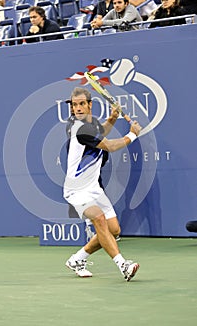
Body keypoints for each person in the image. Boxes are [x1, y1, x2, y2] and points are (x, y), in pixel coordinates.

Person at [64, 87, 142, 280]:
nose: (78, 108)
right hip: (76, 190)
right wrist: (132, 135)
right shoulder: (78, 127)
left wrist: (113, 119)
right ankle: (123, 265)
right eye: (75, 105)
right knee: (99, 219)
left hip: (94, 189)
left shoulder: (90, 125)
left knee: (113, 230)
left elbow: (100, 133)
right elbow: (108, 145)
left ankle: (77, 259)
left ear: (89, 105)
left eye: (82, 104)